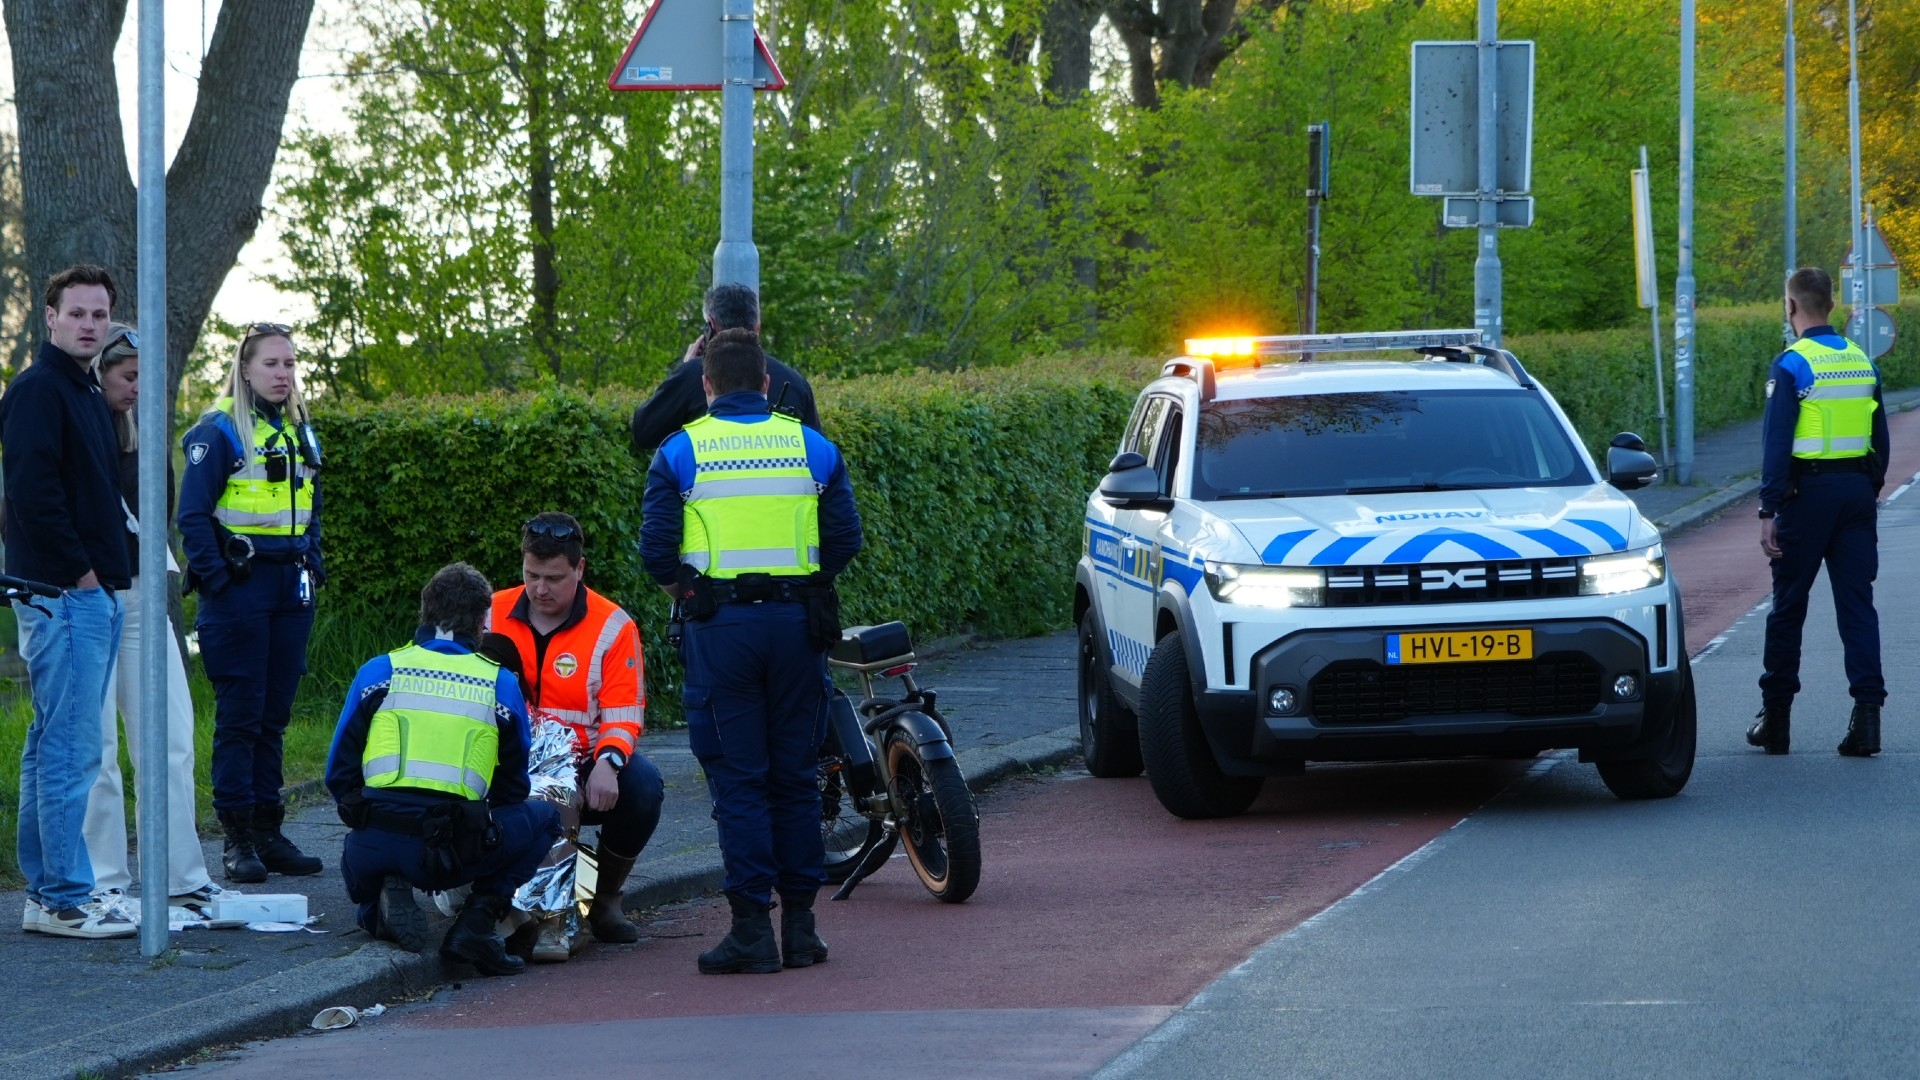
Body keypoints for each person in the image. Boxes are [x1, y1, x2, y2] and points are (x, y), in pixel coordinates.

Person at [640, 327, 863, 974]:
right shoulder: (813, 447)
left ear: (706, 386)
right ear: (767, 384)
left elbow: (656, 551)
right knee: (795, 776)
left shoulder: (680, 451)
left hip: (721, 631)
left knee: (739, 781)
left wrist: (693, 592)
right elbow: (845, 539)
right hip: (798, 628)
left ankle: (750, 932)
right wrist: (802, 583)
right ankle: (801, 930)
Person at [326, 563, 561, 977]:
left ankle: (377, 899)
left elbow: (338, 772)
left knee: (376, 856)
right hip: (449, 851)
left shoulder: (379, 671)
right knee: (545, 819)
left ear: (423, 612)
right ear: (482, 622)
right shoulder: (499, 684)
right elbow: (512, 787)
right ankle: (475, 927)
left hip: (371, 844)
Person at [0, 264, 135, 938]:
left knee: (50, 744)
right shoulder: (37, 391)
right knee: (71, 751)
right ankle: (63, 899)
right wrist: (84, 578)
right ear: (49, 316)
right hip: (63, 598)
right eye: (76, 313)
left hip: (85, 597)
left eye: (98, 314)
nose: (88, 324)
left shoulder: (83, 391)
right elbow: (31, 495)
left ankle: (44, 891)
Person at [81, 323, 226, 911]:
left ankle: (180, 876)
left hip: (142, 597)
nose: (138, 388)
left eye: (146, 378)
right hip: (89, 598)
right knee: (96, 750)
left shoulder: (147, 435)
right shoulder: (83, 430)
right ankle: (102, 878)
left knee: (170, 737)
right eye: (128, 376)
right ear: (101, 374)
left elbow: (159, 513)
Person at [177, 322, 326, 883]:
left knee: (273, 717)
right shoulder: (218, 432)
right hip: (241, 589)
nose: (283, 374)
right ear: (245, 368)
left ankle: (269, 830)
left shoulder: (294, 430)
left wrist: (312, 559)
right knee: (241, 717)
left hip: (290, 588)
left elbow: (310, 507)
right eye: (272, 364)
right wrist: (217, 581)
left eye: (289, 364)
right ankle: (237, 839)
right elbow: (191, 515)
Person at [485, 511, 666, 958]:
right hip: (505, 758)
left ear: (580, 570)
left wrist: (609, 762)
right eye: (531, 575)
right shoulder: (490, 613)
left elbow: (624, 712)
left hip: (583, 759)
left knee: (642, 786)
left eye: (553, 578)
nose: (540, 589)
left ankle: (604, 900)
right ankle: (498, 903)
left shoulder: (613, 625)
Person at [1748, 266, 1890, 757]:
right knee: (1857, 606)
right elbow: (1881, 441)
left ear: (1791, 308)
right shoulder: (1861, 361)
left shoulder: (1791, 364)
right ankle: (1867, 719)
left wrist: (1769, 508)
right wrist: (1867, 489)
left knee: (1789, 607)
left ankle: (1777, 721)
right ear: (1832, 305)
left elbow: (1777, 443)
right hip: (1856, 494)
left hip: (1807, 497)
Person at [629, 283, 821, 456]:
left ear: (711, 325)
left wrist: (686, 370)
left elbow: (644, 432)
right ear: (757, 327)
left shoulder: (693, 375)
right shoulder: (795, 382)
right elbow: (818, 453)